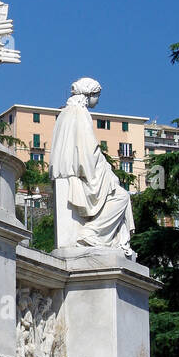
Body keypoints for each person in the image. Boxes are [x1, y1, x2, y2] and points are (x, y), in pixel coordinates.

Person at [48, 77, 135, 255]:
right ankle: (92, 232)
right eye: (98, 96)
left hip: (69, 172)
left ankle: (99, 234)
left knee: (118, 193)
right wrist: (108, 171)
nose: (98, 100)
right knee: (121, 196)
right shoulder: (80, 113)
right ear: (90, 95)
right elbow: (88, 150)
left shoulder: (65, 113)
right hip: (81, 174)